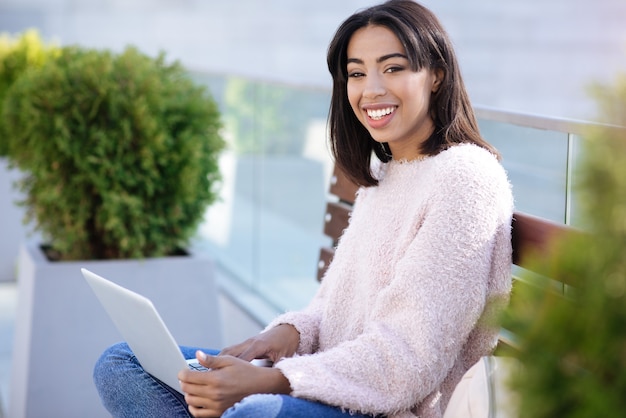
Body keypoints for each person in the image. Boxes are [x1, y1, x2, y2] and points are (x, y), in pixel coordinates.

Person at [93, 1, 514, 417]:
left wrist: (275, 380)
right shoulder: (385, 174)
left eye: (393, 68)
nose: (372, 89)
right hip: (330, 381)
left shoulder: (465, 178)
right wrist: (285, 333)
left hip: (387, 406)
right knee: (122, 364)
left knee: (252, 413)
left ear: (436, 75)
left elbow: (408, 360)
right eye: (356, 73)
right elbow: (333, 310)